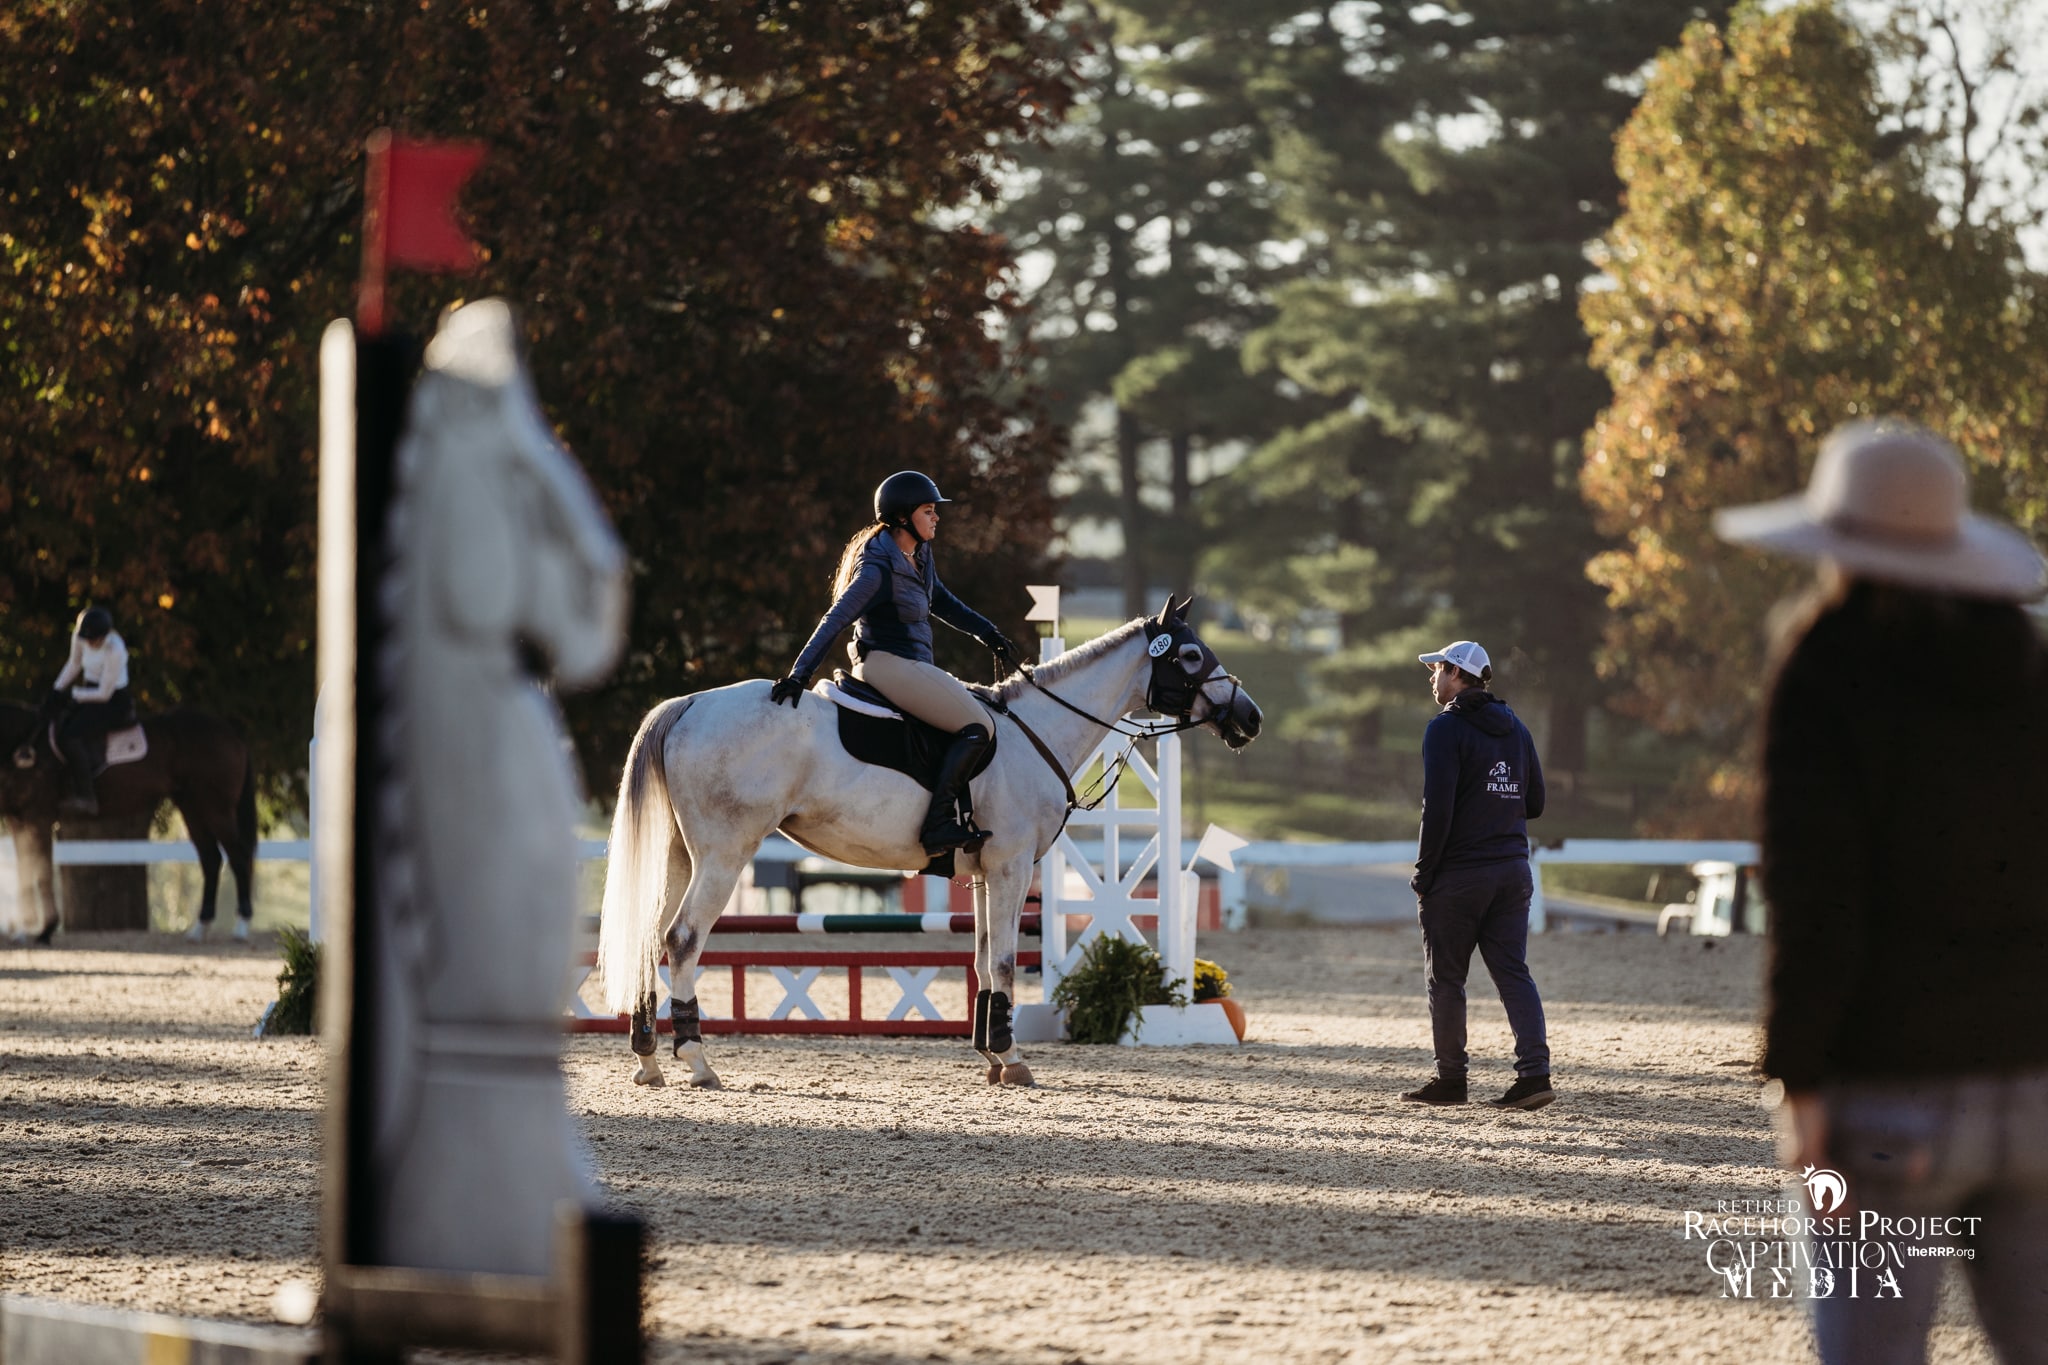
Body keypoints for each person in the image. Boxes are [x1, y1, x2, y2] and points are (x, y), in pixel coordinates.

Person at [1717, 419, 2048, 1363]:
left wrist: (1802, 1074)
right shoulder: (2033, 674)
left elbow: (1816, 893)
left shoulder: (1827, 670)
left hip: (1892, 1091)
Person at [771, 472, 1021, 855]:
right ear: (904, 517)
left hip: (911, 664)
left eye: (935, 511)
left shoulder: (918, 554)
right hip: (885, 664)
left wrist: (987, 632)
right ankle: (937, 824)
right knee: (977, 726)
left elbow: (942, 601)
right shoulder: (876, 569)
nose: (936, 517)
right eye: (929, 510)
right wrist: (799, 675)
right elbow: (835, 619)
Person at [1399, 639, 1554, 1110]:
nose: (1431, 678)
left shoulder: (1444, 729)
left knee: (1446, 979)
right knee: (1513, 973)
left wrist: (1424, 873)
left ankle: (1451, 1081)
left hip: (1461, 876)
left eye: (1436, 670)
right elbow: (1536, 804)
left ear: (1454, 673)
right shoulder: (1518, 728)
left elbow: (1438, 809)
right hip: (1512, 870)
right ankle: (1534, 1075)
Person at [47, 605, 135, 817]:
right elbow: (74, 664)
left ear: (104, 635)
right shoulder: (80, 637)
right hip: (88, 691)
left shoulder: (116, 650)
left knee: (70, 736)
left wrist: (73, 694)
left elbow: (104, 693)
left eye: (94, 639)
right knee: (57, 723)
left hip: (113, 701)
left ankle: (87, 797)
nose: (89, 643)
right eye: (86, 639)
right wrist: (56, 690)